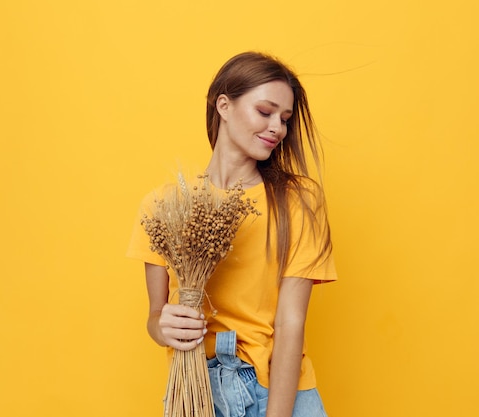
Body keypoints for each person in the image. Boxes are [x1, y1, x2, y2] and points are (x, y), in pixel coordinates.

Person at [127, 51, 337, 417]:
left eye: (285, 119)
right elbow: (155, 317)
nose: (278, 128)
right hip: (196, 391)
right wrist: (165, 327)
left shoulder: (297, 202)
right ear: (223, 105)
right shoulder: (163, 205)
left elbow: (291, 324)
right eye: (265, 111)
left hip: (277, 393)